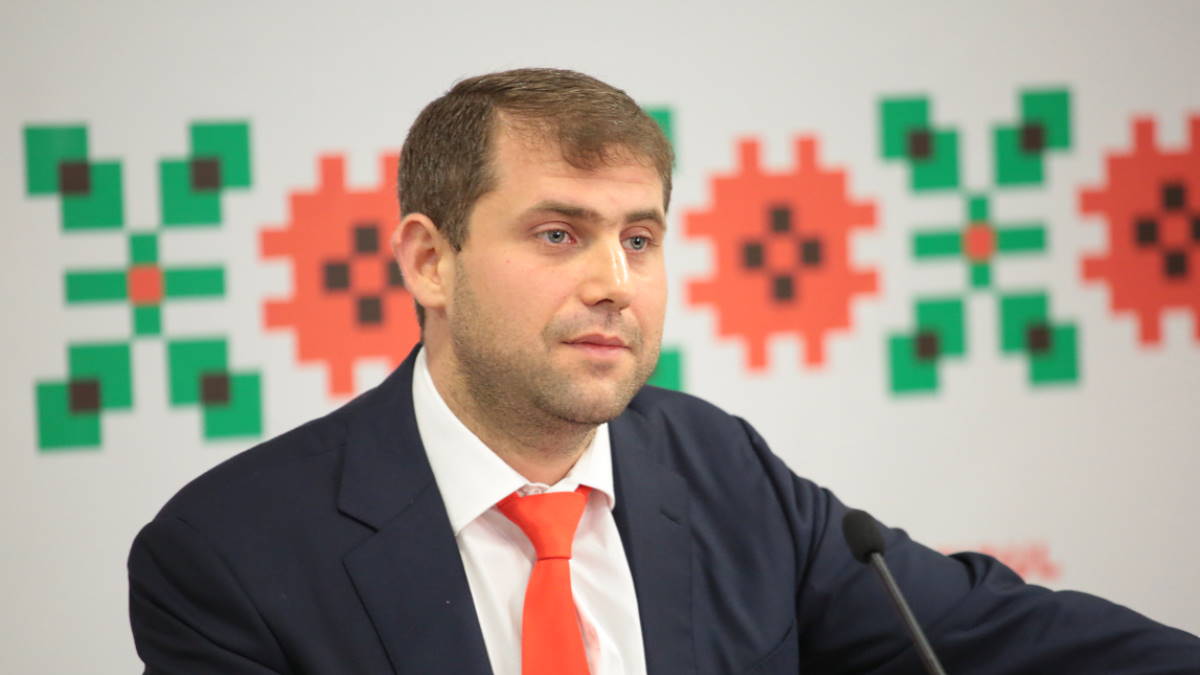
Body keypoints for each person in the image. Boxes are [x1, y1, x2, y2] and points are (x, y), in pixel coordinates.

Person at [128, 68, 1200, 674]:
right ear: (428, 261)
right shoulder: (230, 557)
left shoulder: (716, 467)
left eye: (639, 239)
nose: (615, 283)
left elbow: (996, 639)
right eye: (559, 235)